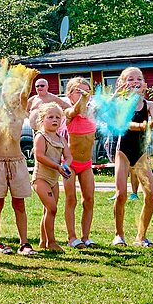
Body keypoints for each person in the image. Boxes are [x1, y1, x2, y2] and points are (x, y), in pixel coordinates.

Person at [0, 63, 36, 256]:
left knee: (19, 203)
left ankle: (24, 243)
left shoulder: (21, 110)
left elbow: (25, 95)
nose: (11, 94)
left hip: (17, 162)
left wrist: (29, 79)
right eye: (7, 89)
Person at [112, 67, 153, 248]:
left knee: (151, 194)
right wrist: (117, 94)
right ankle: (119, 235)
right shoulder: (119, 103)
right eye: (130, 79)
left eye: (138, 78)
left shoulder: (149, 105)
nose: (134, 81)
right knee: (121, 194)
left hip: (140, 155)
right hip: (123, 152)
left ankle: (141, 236)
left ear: (144, 85)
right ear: (122, 83)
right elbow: (122, 123)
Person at [63, 77, 98, 248]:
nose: (84, 94)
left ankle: (86, 236)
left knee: (89, 199)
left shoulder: (92, 113)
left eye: (86, 91)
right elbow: (74, 111)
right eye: (79, 91)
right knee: (71, 199)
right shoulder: (69, 112)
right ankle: (72, 237)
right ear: (69, 96)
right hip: (70, 164)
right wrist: (82, 100)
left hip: (86, 164)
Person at [33, 103, 72, 251]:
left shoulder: (61, 139)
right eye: (50, 117)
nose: (54, 120)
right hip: (41, 178)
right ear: (42, 119)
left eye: (57, 117)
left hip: (54, 179)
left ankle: (43, 242)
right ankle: (52, 242)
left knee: (48, 210)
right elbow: (39, 156)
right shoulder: (40, 136)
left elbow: (68, 156)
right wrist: (57, 166)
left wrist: (65, 165)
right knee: (52, 208)